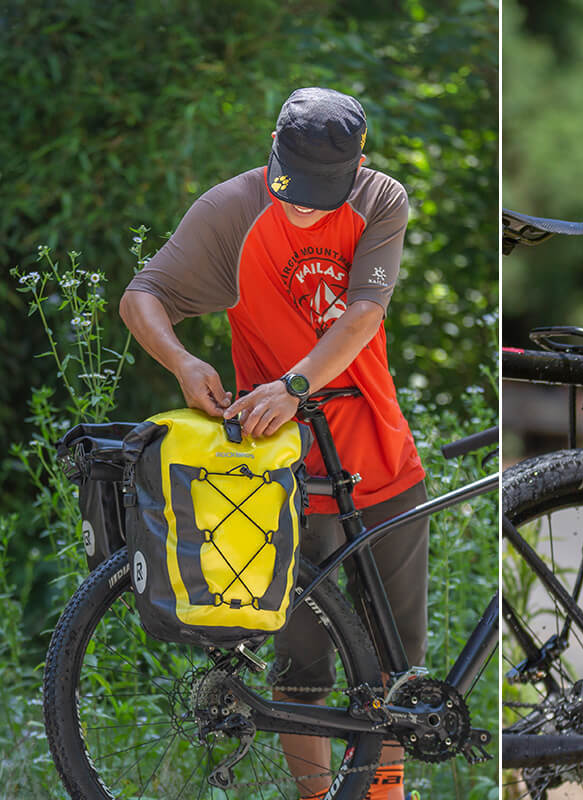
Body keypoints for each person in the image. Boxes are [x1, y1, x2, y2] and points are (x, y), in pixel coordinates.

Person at [119, 86, 427, 800]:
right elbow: (144, 295)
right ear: (271, 153)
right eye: (293, 189)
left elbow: (360, 314)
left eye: (321, 195)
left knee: (395, 670)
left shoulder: (381, 201)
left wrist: (293, 386)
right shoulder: (232, 210)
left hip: (381, 461)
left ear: (357, 166)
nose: (303, 208)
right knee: (300, 672)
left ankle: (384, 795)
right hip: (278, 476)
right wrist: (184, 362)